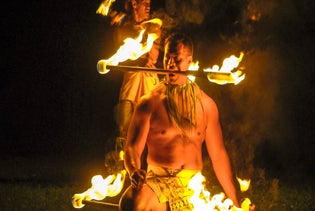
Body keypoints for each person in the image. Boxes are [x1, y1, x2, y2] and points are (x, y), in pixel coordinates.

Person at [120, 33, 241, 210]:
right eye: (167, 58)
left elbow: (219, 156)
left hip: (192, 185)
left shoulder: (206, 104)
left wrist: (236, 203)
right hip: (158, 182)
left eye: (177, 59)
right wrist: (134, 170)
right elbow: (132, 147)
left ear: (189, 61)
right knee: (133, 200)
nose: (170, 64)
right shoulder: (149, 102)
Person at [113, 0, 161, 148]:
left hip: (148, 76)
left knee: (155, 119)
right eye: (144, 3)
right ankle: (123, 151)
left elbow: (153, 56)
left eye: (149, 3)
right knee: (126, 119)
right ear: (134, 4)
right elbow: (122, 55)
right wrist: (138, 61)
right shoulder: (124, 27)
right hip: (132, 75)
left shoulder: (153, 27)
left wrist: (146, 32)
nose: (148, 7)